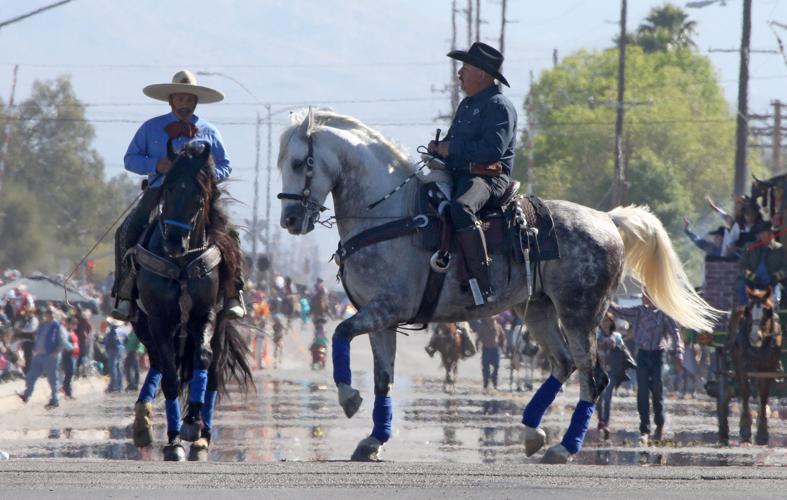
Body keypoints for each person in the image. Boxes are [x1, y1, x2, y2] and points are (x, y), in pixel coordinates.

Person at [111, 69, 246, 321]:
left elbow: (226, 165)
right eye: (180, 99)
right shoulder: (151, 127)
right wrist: (156, 165)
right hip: (159, 190)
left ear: (195, 102)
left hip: (198, 196)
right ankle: (125, 293)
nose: (184, 104)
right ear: (171, 100)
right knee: (127, 230)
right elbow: (130, 159)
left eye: (189, 99)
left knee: (231, 234)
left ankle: (233, 293)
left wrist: (206, 175)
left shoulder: (209, 131)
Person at [427, 42, 517, 306]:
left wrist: (451, 148)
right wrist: (439, 148)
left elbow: (492, 150)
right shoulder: (467, 104)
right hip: (459, 174)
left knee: (462, 207)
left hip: (487, 178)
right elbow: (455, 142)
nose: (459, 73)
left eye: (464, 68)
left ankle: (483, 283)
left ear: (481, 73)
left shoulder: (499, 106)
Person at [609, 292, 684, 446]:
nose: (645, 297)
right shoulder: (638, 311)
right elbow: (619, 311)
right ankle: (645, 429)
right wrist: (605, 299)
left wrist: (679, 352)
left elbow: (675, 333)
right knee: (642, 391)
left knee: (657, 389)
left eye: (648, 294)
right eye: (644, 294)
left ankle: (660, 423)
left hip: (658, 355)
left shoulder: (664, 314)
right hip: (642, 355)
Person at [18, 307, 69, 409]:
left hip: (51, 357)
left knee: (52, 379)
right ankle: (26, 395)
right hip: (39, 356)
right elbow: (38, 338)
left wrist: (56, 352)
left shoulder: (58, 326)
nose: (49, 314)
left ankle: (54, 400)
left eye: (51, 312)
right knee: (31, 375)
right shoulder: (43, 325)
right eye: (48, 312)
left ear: (55, 314)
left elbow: (63, 341)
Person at [595, 313, 635, 440]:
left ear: (612, 323)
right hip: (598, 371)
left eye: (608, 321)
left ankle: (605, 423)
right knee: (599, 398)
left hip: (611, 371)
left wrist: (630, 361)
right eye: (604, 321)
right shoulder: (596, 335)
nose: (605, 323)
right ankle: (600, 420)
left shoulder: (616, 336)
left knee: (607, 397)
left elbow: (624, 350)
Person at [737, 220, 787, 307]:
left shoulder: (780, 249)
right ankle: (744, 309)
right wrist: (752, 277)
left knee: (778, 290)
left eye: (769, 233)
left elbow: (785, 268)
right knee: (741, 283)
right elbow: (741, 266)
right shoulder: (750, 247)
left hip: (772, 281)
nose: (766, 236)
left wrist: (775, 277)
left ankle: (777, 308)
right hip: (753, 280)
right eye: (763, 233)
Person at [475, 316, 505, 394]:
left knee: (496, 367)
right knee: (485, 367)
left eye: (493, 319)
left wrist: (503, 347)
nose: (491, 320)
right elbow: (478, 337)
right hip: (486, 349)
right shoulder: (482, 327)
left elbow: (502, 337)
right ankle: (485, 384)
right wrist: (477, 346)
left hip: (495, 349)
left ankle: (495, 383)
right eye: (490, 319)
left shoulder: (498, 326)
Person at [103, 318, 127, 392]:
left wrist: (106, 348)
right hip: (121, 349)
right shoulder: (122, 331)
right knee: (119, 367)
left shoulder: (112, 331)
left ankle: (113, 386)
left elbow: (108, 341)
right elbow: (126, 340)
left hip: (113, 350)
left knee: (113, 367)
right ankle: (120, 386)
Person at [62, 316, 80, 400]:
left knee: (71, 374)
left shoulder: (73, 332)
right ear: (69, 324)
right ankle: (67, 392)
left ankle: (69, 392)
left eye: (76, 324)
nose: (75, 326)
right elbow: (64, 344)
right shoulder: (66, 333)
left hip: (74, 356)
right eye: (73, 324)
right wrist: (71, 349)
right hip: (68, 355)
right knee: (69, 373)